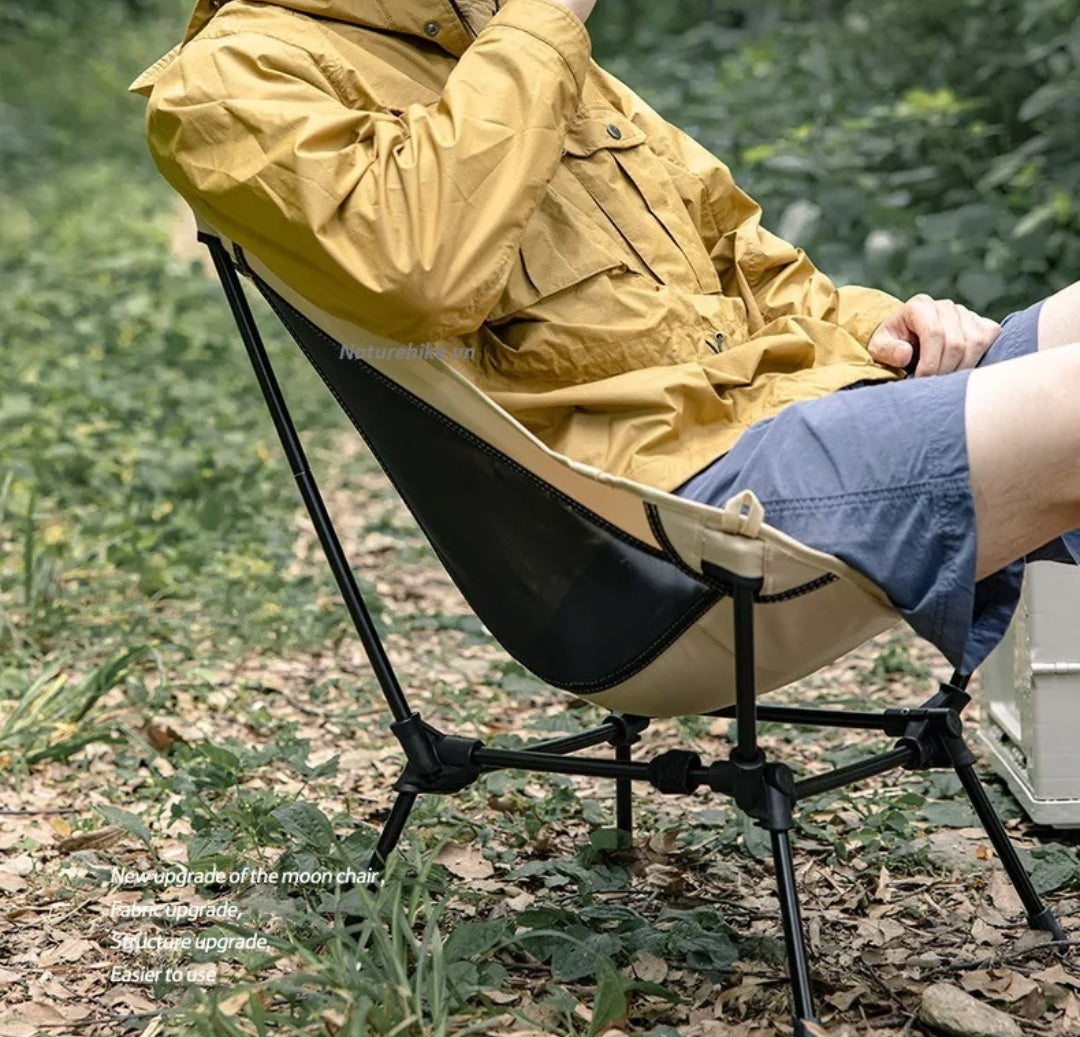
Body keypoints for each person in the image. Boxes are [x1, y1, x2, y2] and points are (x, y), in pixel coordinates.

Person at [132, 0, 1080, 676]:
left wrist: (889, 325)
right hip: (673, 514)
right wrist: (542, 22)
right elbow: (419, 271)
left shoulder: (514, 37)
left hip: (812, 409)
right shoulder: (231, 80)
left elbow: (750, 260)